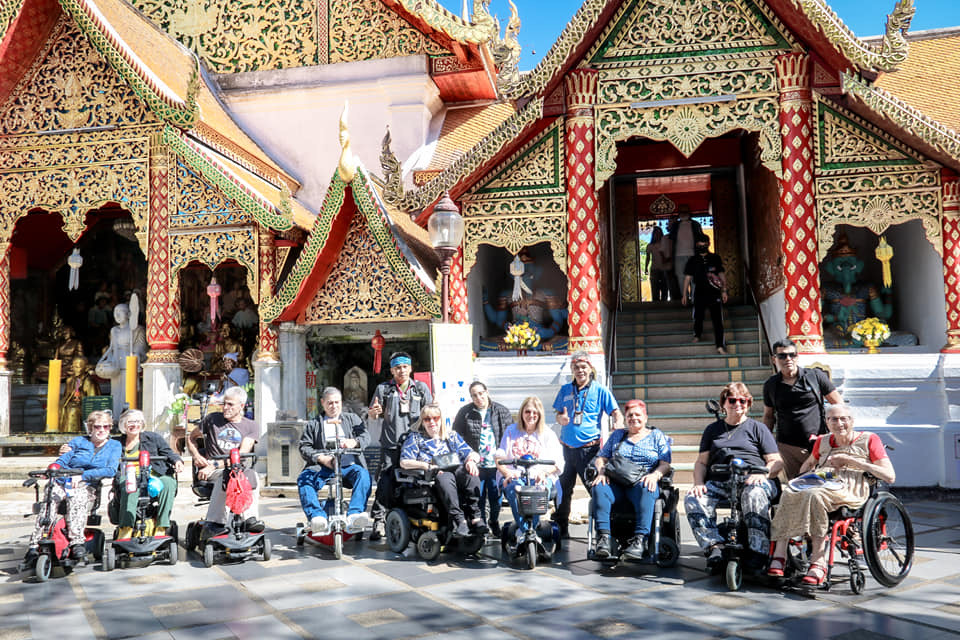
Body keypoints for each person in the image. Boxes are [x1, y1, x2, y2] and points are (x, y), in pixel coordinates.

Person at [767, 405, 895, 585]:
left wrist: (850, 461)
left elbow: (889, 475)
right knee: (789, 492)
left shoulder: (869, 439)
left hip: (851, 485)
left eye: (844, 418)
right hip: (823, 480)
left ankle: (818, 561)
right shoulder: (823, 441)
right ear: (826, 422)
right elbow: (809, 463)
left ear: (852, 421)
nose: (839, 423)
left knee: (814, 495)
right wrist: (799, 479)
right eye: (833, 419)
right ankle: (780, 553)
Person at [685, 383, 782, 567]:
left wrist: (763, 474)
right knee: (693, 498)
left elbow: (777, 461)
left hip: (754, 479)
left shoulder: (758, 428)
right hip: (722, 480)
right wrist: (698, 483)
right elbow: (701, 462)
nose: (738, 404)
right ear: (724, 403)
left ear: (748, 403)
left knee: (754, 494)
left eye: (743, 401)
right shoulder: (712, 430)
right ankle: (714, 545)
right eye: (732, 400)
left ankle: (758, 551)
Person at [25, 411, 121, 562]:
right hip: (63, 480)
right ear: (90, 428)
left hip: (87, 484)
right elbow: (63, 460)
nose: (101, 430)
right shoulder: (79, 442)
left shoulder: (114, 445)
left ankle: (77, 542)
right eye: (97, 426)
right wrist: (53, 469)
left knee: (78, 497)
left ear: (110, 428)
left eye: (106, 426)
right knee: (50, 498)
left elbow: (110, 470)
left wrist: (82, 476)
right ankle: (35, 544)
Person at [553, 350, 623, 538]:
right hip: (567, 450)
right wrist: (561, 418)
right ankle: (560, 527)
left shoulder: (600, 390)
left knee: (597, 490)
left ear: (590, 368)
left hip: (589, 451)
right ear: (572, 369)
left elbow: (616, 412)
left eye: (583, 367)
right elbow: (558, 414)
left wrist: (618, 422)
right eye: (576, 367)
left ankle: (605, 531)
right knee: (562, 490)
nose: (580, 370)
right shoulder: (565, 390)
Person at [591, 399, 671, 560]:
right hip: (616, 481)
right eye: (629, 415)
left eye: (637, 414)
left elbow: (665, 464)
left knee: (648, 487)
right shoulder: (618, 435)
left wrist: (655, 476)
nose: (633, 418)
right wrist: (601, 472)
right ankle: (604, 539)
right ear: (625, 418)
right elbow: (601, 458)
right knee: (599, 486)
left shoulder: (656, 436)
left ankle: (640, 541)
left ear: (645, 417)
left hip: (641, 481)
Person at [367, 351, 433, 540]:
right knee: (385, 482)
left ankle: (414, 517)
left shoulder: (421, 389)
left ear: (411, 368)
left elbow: (431, 414)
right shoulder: (384, 389)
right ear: (392, 370)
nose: (402, 370)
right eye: (397, 367)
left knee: (416, 482)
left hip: (415, 448)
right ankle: (379, 520)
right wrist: (374, 412)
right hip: (391, 446)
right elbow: (373, 414)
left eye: (405, 367)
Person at [400, 403, 485, 537]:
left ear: (441, 419)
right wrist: (426, 466)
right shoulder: (416, 438)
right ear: (422, 422)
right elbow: (404, 462)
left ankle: (475, 516)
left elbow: (472, 453)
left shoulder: (451, 436)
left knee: (471, 475)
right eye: (427, 419)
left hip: (456, 470)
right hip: (433, 475)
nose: (432, 422)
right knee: (445, 478)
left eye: (435, 418)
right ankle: (459, 519)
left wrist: (471, 461)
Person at [763, 338, 842, 480]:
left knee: (823, 483)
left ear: (797, 357)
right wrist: (765, 442)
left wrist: (837, 435)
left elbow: (838, 405)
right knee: (797, 485)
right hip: (788, 447)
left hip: (818, 442)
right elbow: (769, 416)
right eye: (782, 356)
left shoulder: (815, 376)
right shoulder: (771, 385)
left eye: (792, 355)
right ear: (774, 359)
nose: (788, 359)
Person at [186, 386, 263, 532]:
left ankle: (250, 518)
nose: (225, 408)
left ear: (241, 406)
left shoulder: (251, 426)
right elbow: (190, 437)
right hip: (213, 471)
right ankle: (215, 522)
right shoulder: (212, 419)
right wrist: (196, 455)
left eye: (230, 404)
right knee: (226, 476)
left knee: (253, 476)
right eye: (224, 403)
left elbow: (241, 454)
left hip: (235, 468)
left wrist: (214, 464)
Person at [297, 387, 372, 534]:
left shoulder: (352, 419)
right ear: (323, 403)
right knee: (304, 479)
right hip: (323, 467)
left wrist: (354, 442)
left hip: (349, 466)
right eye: (330, 403)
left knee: (363, 475)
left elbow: (365, 437)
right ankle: (317, 517)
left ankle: (354, 515)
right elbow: (304, 447)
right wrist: (321, 458)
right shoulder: (314, 424)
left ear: (341, 403)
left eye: (337, 402)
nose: (334, 406)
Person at [495, 396, 564, 539]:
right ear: (521, 413)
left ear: (539, 415)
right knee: (515, 491)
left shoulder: (548, 434)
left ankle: (531, 529)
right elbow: (499, 457)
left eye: (535, 412)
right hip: (515, 475)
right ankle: (525, 531)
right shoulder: (511, 431)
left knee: (538, 491)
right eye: (527, 412)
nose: (531, 415)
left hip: (540, 476)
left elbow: (558, 462)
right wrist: (507, 473)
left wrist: (545, 473)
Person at [452, 381, 514, 536]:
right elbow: (456, 438)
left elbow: (510, 435)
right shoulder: (465, 413)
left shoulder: (501, 411)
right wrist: (467, 458)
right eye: (474, 395)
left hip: (497, 464)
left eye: (481, 393)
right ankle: (482, 526)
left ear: (487, 392)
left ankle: (494, 521)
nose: (478, 397)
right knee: (477, 496)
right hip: (476, 464)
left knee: (496, 497)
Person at [115, 409, 183, 539]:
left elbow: (168, 453)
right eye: (130, 422)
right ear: (123, 424)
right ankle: (126, 527)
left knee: (168, 482)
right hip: (129, 476)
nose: (135, 425)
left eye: (138, 422)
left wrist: (177, 461)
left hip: (153, 476)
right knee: (130, 485)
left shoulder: (153, 438)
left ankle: (161, 526)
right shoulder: (116, 443)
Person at [95, 301, 148, 418]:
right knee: (116, 393)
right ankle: (116, 418)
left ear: (129, 314)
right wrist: (105, 359)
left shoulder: (137, 329)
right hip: (116, 363)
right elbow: (111, 348)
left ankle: (129, 418)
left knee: (128, 393)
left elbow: (141, 346)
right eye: (115, 313)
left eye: (120, 312)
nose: (117, 315)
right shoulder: (114, 330)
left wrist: (136, 354)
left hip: (129, 364)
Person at [682, 234, 728, 355]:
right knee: (698, 316)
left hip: (714, 292)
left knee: (717, 320)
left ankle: (720, 345)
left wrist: (724, 290)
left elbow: (721, 274)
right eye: (700, 244)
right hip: (699, 291)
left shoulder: (715, 258)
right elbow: (687, 278)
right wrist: (684, 294)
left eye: (705, 244)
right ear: (697, 245)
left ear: (709, 244)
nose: (702, 246)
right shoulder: (692, 260)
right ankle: (697, 335)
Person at [668, 208, 703, 300]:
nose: (683, 214)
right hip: (678, 255)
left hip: (693, 255)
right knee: (680, 277)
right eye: (681, 212)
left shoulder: (695, 224)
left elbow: (701, 238)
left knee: (694, 277)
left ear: (689, 213)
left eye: (685, 212)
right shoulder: (676, 225)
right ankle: (685, 297)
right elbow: (671, 240)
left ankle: (694, 297)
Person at [59, 356, 100, 432]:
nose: (75, 369)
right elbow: (66, 396)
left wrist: (80, 397)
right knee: (58, 407)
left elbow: (93, 401)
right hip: (71, 404)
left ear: (86, 368)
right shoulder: (70, 380)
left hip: (84, 407)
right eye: (74, 367)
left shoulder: (89, 382)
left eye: (78, 367)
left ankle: (72, 435)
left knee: (73, 410)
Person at [645, 227, 672, 302]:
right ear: (653, 235)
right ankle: (655, 305)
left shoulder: (665, 244)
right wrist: (646, 268)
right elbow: (648, 257)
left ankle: (664, 304)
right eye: (656, 233)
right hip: (654, 268)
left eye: (659, 233)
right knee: (655, 288)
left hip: (664, 268)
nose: (657, 235)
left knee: (664, 288)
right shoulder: (650, 246)